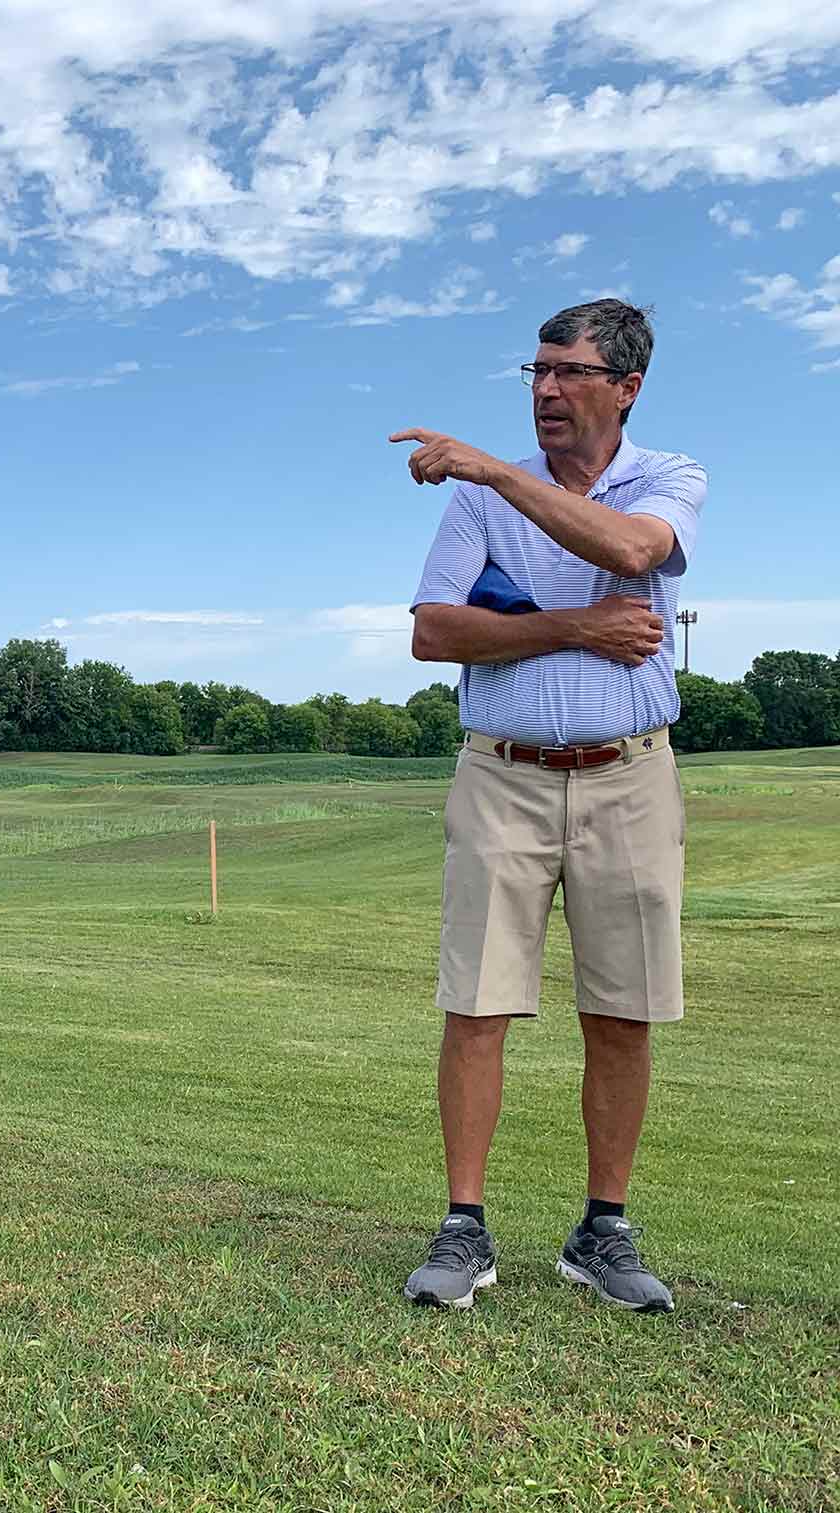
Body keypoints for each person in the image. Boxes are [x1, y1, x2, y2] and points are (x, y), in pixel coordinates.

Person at [390, 299, 706, 1313]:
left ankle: (602, 1231)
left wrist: (493, 471)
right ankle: (463, 1227)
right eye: (537, 371)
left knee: (623, 1009)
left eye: (571, 372)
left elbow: (633, 552)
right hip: (502, 775)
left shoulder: (667, 478)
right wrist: (575, 627)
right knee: (477, 1003)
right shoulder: (478, 503)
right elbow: (434, 633)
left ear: (627, 387)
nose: (548, 390)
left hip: (630, 775)